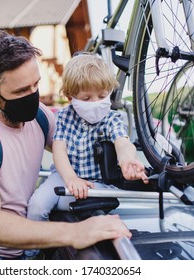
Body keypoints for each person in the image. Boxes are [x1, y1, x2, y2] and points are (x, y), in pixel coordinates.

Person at [0, 30, 132, 260]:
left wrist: (125, 153)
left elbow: (79, 143)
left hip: (25, 250)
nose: (33, 95)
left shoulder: (40, 116)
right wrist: (75, 232)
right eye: (21, 91)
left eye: (36, 84)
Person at [25, 53, 149, 258]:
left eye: (102, 96)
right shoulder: (64, 117)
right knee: (37, 206)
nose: (96, 103)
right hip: (65, 176)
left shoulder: (112, 118)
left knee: (76, 204)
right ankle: (31, 254)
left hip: (99, 182)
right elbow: (59, 150)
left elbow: (122, 142)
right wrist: (71, 178)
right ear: (70, 97)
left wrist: (127, 160)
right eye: (86, 98)